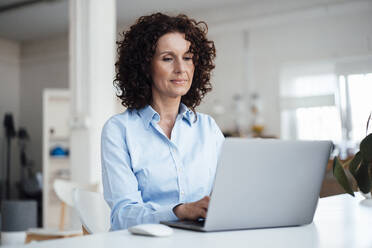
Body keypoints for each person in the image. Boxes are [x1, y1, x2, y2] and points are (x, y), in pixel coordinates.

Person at [101, 12, 225, 230]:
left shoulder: (208, 128)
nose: (181, 68)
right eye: (168, 58)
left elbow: (230, 194)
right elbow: (123, 216)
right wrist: (179, 211)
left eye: (187, 58)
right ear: (145, 66)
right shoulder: (119, 130)